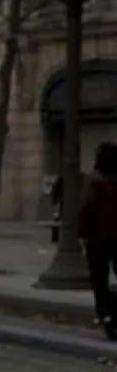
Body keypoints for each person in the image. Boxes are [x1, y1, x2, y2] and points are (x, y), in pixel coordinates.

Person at [79, 142, 117, 338]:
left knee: (99, 280)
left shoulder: (93, 180)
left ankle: (107, 314)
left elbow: (86, 208)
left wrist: (83, 234)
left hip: (97, 239)